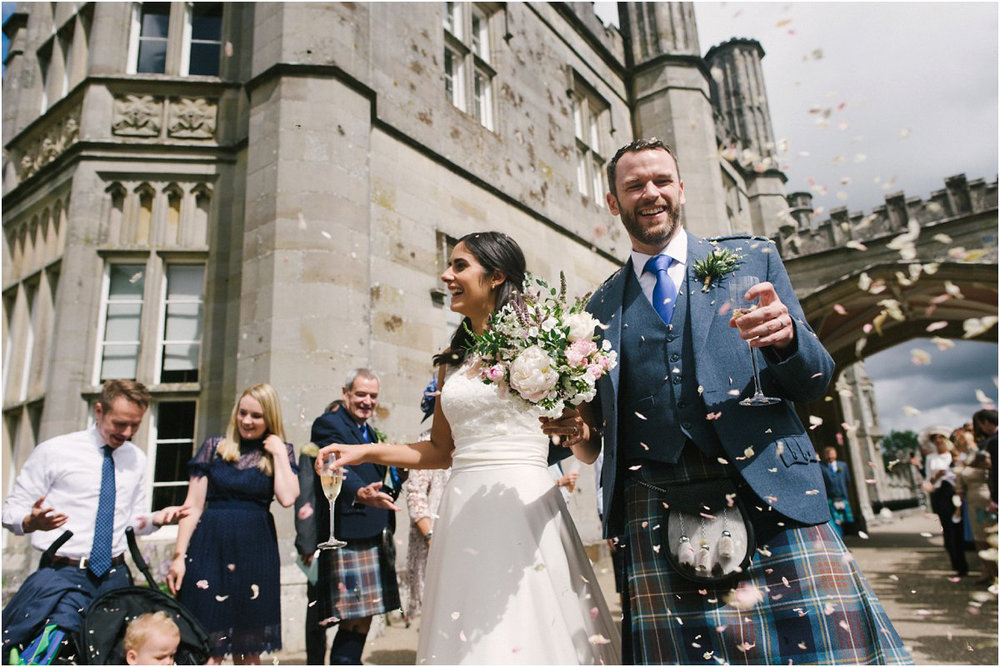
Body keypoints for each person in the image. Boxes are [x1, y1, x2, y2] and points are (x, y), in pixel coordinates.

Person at [562, 138, 910, 664]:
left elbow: (815, 380)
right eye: (634, 185)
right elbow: (599, 432)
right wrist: (570, 425)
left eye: (661, 181)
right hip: (655, 503)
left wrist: (788, 338)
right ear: (613, 201)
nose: (650, 193)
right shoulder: (598, 307)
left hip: (773, 491)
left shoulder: (751, 259)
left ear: (682, 187)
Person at [317, 231, 620, 664]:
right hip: (463, 511)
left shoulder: (550, 345)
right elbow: (439, 452)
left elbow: (589, 450)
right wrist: (363, 452)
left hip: (526, 508)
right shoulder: (451, 362)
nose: (447, 275)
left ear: (496, 276)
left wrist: (577, 434)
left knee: (534, 631)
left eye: (460, 266)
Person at [1, 380, 186, 658]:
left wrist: (157, 519)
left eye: (135, 425)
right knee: (57, 651)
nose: (127, 432)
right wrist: (30, 521)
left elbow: (130, 522)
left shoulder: (136, 459)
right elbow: (10, 511)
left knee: (113, 655)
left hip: (115, 577)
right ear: (99, 411)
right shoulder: (55, 451)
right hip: (62, 575)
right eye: (120, 423)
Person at [166, 383, 299, 664]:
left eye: (256, 416)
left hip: (255, 553)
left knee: (247, 648)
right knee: (208, 644)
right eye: (243, 413)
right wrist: (179, 557)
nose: (247, 421)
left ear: (270, 419)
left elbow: (288, 498)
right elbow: (192, 507)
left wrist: (276, 452)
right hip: (209, 549)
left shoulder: (281, 452)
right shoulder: (214, 448)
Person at [309, 368, 402, 665]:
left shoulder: (369, 432)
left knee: (364, 615)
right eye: (360, 394)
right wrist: (360, 492)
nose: (367, 401)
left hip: (373, 530)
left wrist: (387, 487)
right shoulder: (329, 424)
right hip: (350, 532)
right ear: (346, 393)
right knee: (352, 616)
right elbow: (334, 466)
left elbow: (369, 473)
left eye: (373, 396)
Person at [294, 398, 343, 665]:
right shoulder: (312, 451)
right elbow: (305, 499)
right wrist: (306, 545)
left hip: (347, 541)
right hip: (319, 543)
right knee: (316, 611)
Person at [922, 425, 969, 577]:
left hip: (954, 491)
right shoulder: (930, 458)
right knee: (947, 528)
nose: (938, 442)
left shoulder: (953, 456)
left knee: (958, 528)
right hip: (940, 493)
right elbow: (928, 479)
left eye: (940, 439)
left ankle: (962, 563)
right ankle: (956, 563)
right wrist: (937, 476)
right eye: (935, 440)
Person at [954, 448, 996, 584]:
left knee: (982, 537)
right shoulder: (979, 472)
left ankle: (989, 570)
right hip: (980, 504)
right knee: (984, 536)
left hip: (983, 504)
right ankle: (990, 570)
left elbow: (959, 490)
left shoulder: (966, 472)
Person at [821, 446, 855, 537]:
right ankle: (839, 537)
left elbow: (847, 480)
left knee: (843, 519)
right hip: (830, 497)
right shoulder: (822, 467)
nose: (830, 456)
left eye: (832, 453)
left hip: (842, 496)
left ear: (836, 454)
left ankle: (842, 536)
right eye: (828, 454)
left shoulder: (843, 465)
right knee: (835, 520)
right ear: (825, 455)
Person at [972, 408, 998, 509]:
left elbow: (997, 472)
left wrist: (996, 500)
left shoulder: (995, 442)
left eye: (981, 425)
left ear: (986, 422)